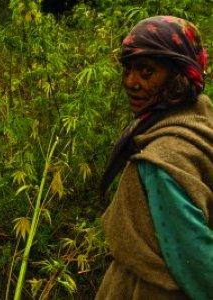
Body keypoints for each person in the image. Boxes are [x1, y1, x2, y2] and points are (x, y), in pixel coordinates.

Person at [96, 16, 213, 300]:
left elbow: (195, 260)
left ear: (179, 76)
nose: (131, 82)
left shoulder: (163, 161)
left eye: (146, 71)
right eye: (128, 69)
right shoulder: (201, 120)